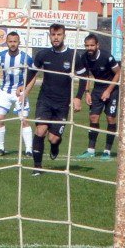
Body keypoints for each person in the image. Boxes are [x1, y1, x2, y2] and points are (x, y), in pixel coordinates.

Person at [20, 23, 87, 176]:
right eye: (53, 35)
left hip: (63, 103)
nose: (56, 38)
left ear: (64, 36)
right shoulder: (43, 55)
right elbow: (32, 72)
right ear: (49, 36)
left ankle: (55, 146)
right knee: (40, 130)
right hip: (45, 99)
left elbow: (83, 77)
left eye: (59, 35)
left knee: (53, 138)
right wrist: (23, 87)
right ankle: (37, 167)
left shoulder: (74, 55)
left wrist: (78, 97)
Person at [0, 31, 34, 156]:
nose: (13, 44)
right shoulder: (1, 56)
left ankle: (29, 149)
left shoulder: (26, 58)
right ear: (7, 42)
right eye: (10, 42)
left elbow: (33, 77)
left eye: (15, 42)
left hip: (19, 93)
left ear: (19, 42)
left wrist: (25, 92)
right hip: (4, 92)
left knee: (24, 120)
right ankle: (0, 148)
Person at [74, 33, 120, 160]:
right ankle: (91, 150)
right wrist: (87, 92)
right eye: (87, 46)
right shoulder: (84, 57)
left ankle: (107, 151)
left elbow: (118, 73)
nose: (89, 48)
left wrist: (109, 91)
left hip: (112, 89)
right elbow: (86, 76)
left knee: (110, 118)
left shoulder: (107, 57)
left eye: (92, 45)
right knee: (93, 117)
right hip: (97, 89)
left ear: (97, 45)